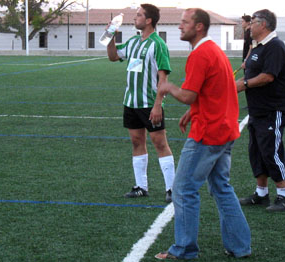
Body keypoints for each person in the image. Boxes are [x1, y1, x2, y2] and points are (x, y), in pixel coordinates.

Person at [154, 8, 251, 260]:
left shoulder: (200, 54)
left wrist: (167, 87)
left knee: (183, 189)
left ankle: (184, 249)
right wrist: (192, 111)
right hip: (225, 129)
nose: (179, 26)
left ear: (199, 27)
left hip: (208, 133)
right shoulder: (215, 51)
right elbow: (217, 89)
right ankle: (240, 247)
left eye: (184, 23)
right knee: (221, 187)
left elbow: (188, 94)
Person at [106, 4, 175, 202]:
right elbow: (113, 56)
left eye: (138, 15)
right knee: (137, 142)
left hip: (149, 104)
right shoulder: (134, 42)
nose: (135, 18)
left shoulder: (158, 44)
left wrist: (157, 105)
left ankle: (171, 189)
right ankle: (140, 187)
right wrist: (111, 36)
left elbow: (163, 79)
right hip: (131, 102)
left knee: (160, 143)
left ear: (149, 20)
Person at [236, 9, 285, 212]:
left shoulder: (274, 46)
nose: (249, 26)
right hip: (257, 109)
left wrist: (243, 85)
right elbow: (250, 73)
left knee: (271, 151)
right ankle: (261, 193)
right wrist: (233, 86)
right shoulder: (258, 47)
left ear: (264, 24)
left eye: (253, 22)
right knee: (256, 151)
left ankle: (284, 196)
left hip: (272, 108)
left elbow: (268, 76)